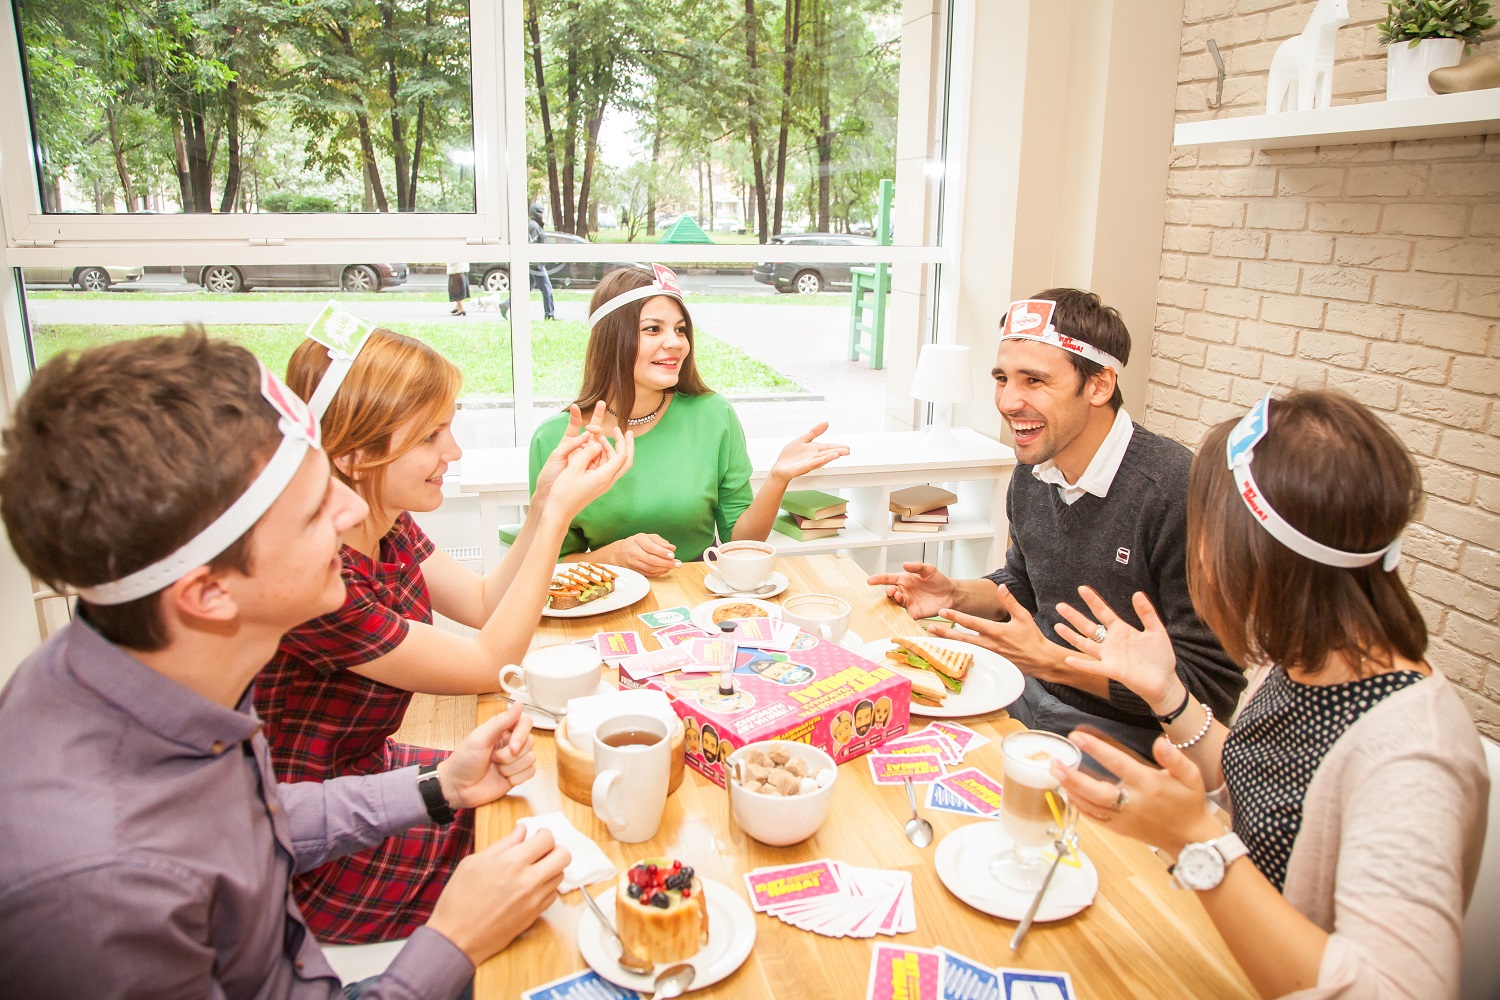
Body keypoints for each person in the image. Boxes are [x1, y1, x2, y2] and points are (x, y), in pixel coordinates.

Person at [0, 331, 571, 998]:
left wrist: (435, 786)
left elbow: (255, 814)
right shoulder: (106, 888)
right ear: (208, 592)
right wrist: (452, 944)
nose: (354, 509)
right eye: (311, 513)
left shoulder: (168, 671)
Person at [1050, 389, 1488, 1000]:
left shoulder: (1414, 756)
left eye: (1205, 529)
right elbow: (1263, 787)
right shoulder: (1309, 656)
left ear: (1252, 553)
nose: (1197, 549)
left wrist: (1199, 843)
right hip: (1212, 943)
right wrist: (1169, 696)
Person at [255, 327, 631, 945]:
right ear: (352, 455)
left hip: (363, 774)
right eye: (432, 436)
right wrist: (562, 515)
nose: (453, 451)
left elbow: (486, 605)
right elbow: (493, 663)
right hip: (312, 847)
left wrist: (541, 504)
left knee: (537, 807)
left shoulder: (385, 519)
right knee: (543, 884)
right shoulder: (322, 577)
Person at [869, 289, 1242, 759]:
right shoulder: (1033, 470)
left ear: (1099, 385)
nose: (1007, 401)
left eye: (1035, 381)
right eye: (1002, 378)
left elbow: (1211, 688)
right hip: (1027, 692)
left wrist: (1057, 665)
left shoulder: (1176, 492)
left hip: (1131, 737)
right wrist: (957, 595)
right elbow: (1025, 583)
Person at [528, 265, 848, 574]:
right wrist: (613, 556)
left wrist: (778, 478)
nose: (677, 342)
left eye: (680, 329)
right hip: (602, 600)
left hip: (697, 595)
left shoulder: (714, 415)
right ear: (610, 338)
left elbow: (742, 540)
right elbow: (544, 564)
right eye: (653, 328)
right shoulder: (556, 438)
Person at [528, 203, 556, 320]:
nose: (542, 215)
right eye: (541, 212)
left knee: (525, 288)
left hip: (534, 264)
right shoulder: (533, 226)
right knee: (547, 290)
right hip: (536, 265)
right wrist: (537, 263)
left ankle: (506, 303)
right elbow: (533, 245)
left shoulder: (534, 225)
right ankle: (549, 315)